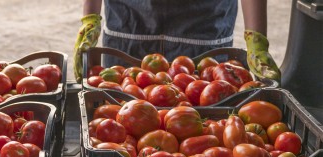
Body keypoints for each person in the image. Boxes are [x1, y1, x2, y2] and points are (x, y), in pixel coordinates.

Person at [73, 0, 281, 83]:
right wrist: (90, 19)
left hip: (203, 25)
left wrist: (257, 41)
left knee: (205, 123)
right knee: (120, 120)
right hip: (130, 22)